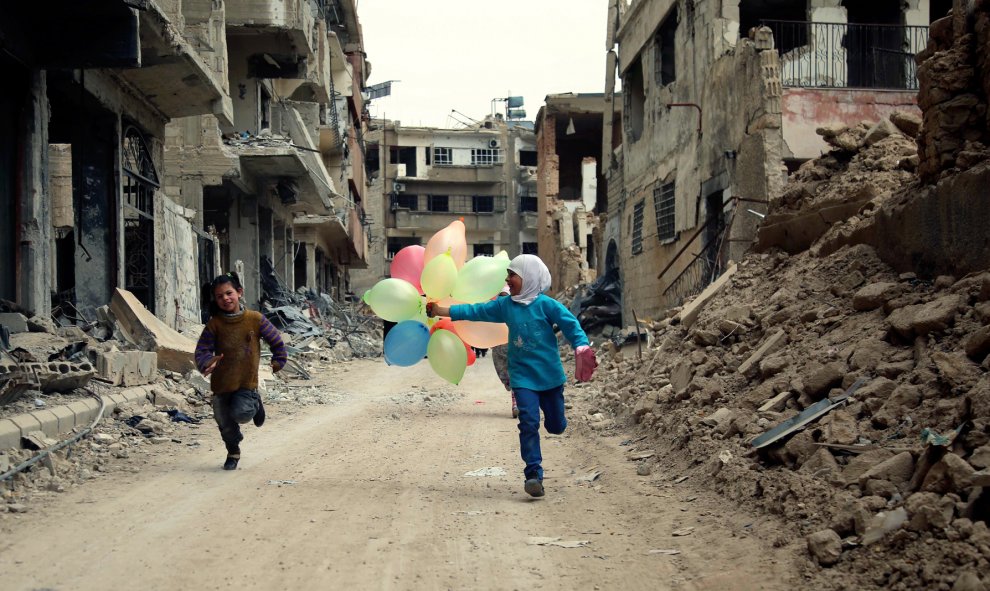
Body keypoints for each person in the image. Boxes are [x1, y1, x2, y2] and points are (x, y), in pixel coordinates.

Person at [427, 254, 597, 498]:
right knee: (528, 421)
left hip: (550, 376)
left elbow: (571, 325)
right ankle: (533, 475)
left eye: (512, 275)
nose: (507, 280)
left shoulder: (547, 305)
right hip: (522, 377)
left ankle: (555, 424)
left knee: (556, 426)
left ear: (528, 278)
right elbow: (475, 311)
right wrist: (441, 310)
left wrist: (581, 346)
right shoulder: (506, 306)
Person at [195, 272, 287, 471]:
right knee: (224, 423)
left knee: (241, 414)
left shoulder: (255, 319)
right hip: (222, 384)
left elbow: (277, 341)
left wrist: (278, 361)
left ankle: (255, 403)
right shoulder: (215, 324)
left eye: (229, 293)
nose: (225, 299)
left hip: (246, 382)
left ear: (239, 292)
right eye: (219, 296)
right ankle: (233, 452)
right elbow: (202, 350)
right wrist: (206, 363)